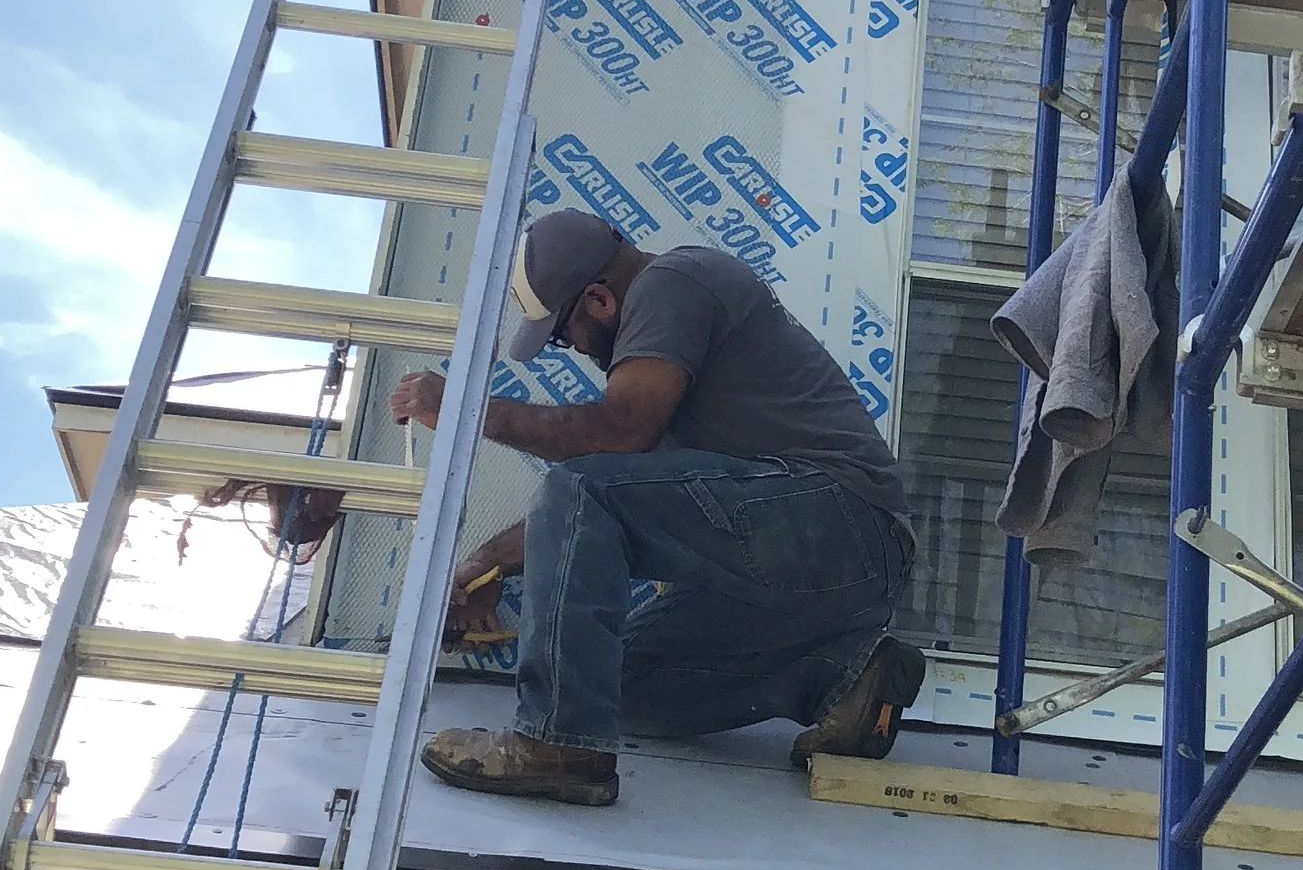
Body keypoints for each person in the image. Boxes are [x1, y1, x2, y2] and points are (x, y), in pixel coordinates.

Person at [388, 209, 923, 807]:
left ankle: (560, 746)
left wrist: (464, 408)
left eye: (564, 338)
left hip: (839, 518)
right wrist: (487, 566)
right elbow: (617, 487)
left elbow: (615, 442)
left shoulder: (673, 282)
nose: (575, 351)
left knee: (582, 486)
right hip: (829, 564)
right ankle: (844, 678)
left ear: (598, 300)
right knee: (613, 683)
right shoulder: (671, 355)